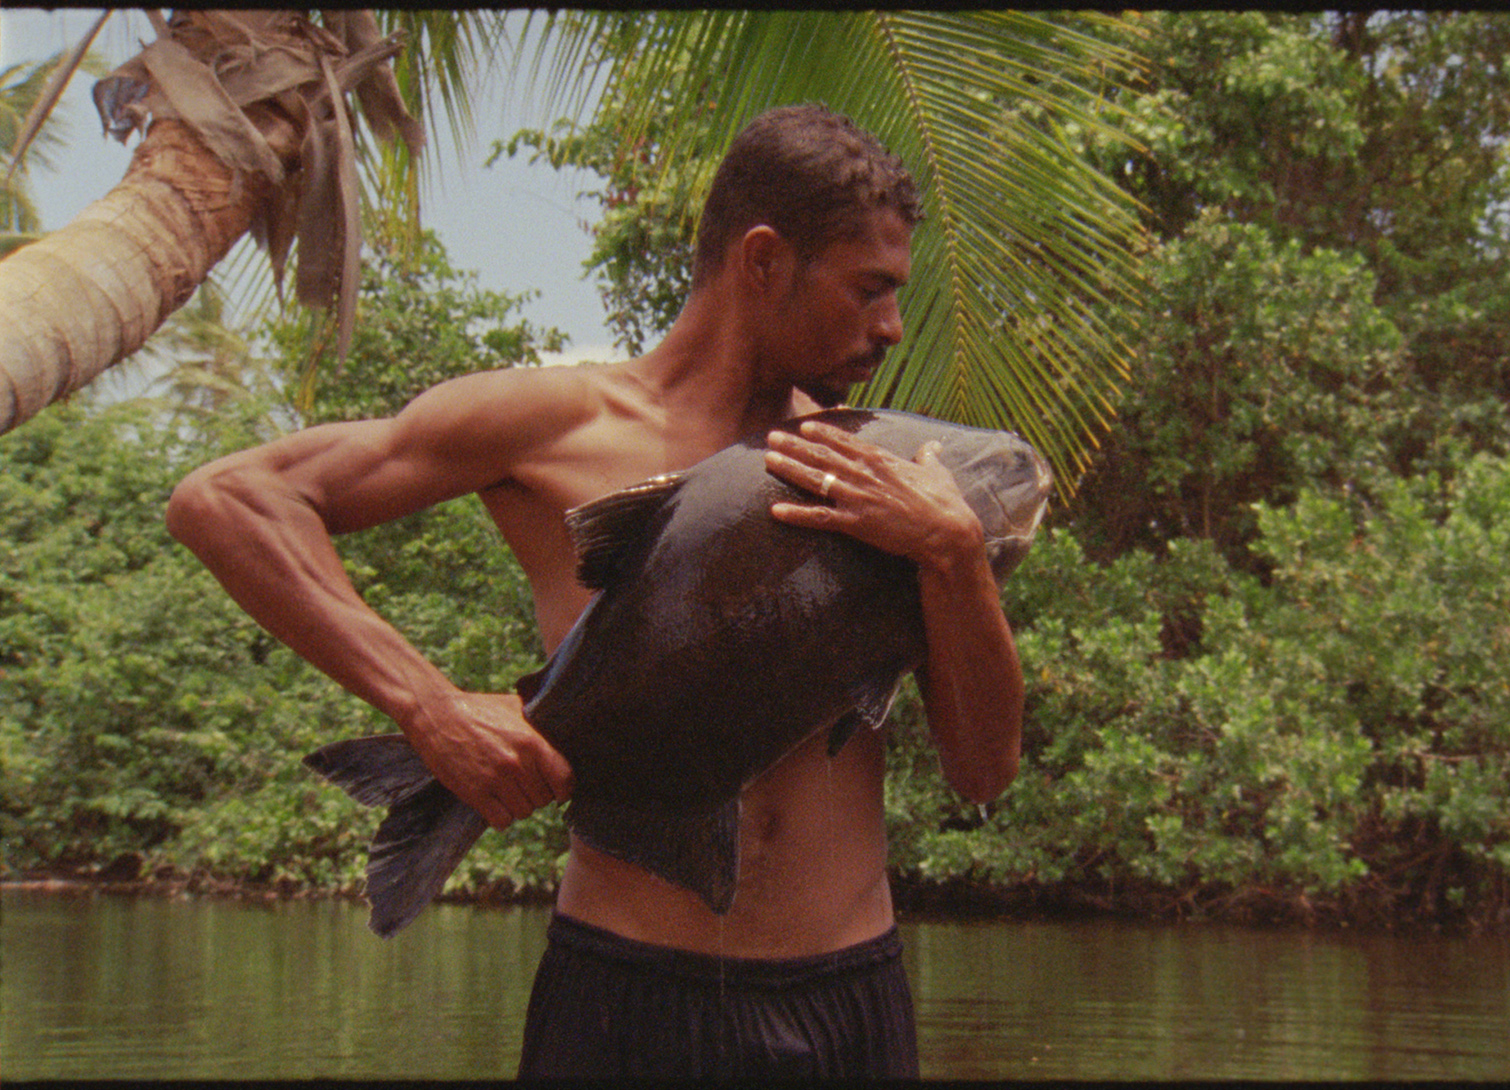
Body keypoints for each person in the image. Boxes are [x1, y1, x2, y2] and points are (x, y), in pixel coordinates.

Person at [166, 103, 1024, 1079]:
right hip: (624, 994)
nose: (892, 327)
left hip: (847, 996)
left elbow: (985, 771)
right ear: (763, 261)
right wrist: (427, 702)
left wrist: (955, 557)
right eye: (868, 288)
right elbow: (227, 499)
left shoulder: (880, 470)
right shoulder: (554, 424)